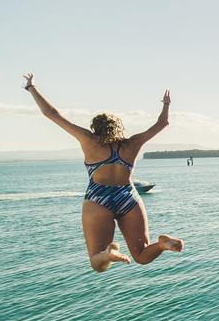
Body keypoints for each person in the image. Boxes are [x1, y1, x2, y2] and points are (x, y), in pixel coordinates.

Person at [22, 74, 184, 272]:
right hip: (128, 197)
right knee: (141, 256)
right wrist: (166, 104)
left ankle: (108, 254)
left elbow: (51, 113)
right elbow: (162, 123)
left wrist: (31, 88)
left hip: (98, 198)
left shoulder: (89, 140)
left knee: (97, 262)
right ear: (119, 127)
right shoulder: (132, 143)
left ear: (95, 128)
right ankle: (161, 244)